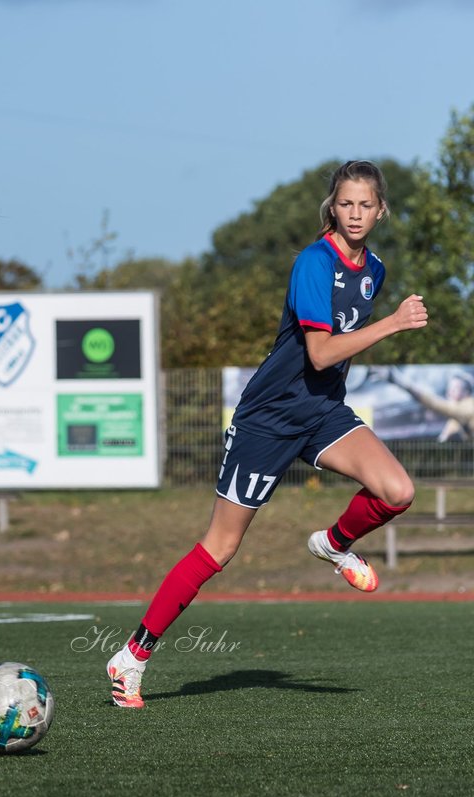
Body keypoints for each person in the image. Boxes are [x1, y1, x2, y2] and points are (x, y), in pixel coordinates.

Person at [106, 160, 429, 709]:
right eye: (345, 203)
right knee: (220, 549)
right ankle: (132, 656)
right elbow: (321, 351)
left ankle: (333, 544)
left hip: (323, 412)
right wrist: (393, 323)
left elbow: (332, 365)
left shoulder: (373, 267)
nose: (354, 213)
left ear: (380, 210)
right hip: (269, 419)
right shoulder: (313, 262)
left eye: (365, 204)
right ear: (333, 206)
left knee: (398, 491)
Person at [388, 367, 474, 442]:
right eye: (450, 388)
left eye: (455, 389)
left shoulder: (464, 409)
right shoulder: (455, 418)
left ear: (466, 392)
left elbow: (434, 403)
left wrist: (401, 382)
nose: (449, 392)